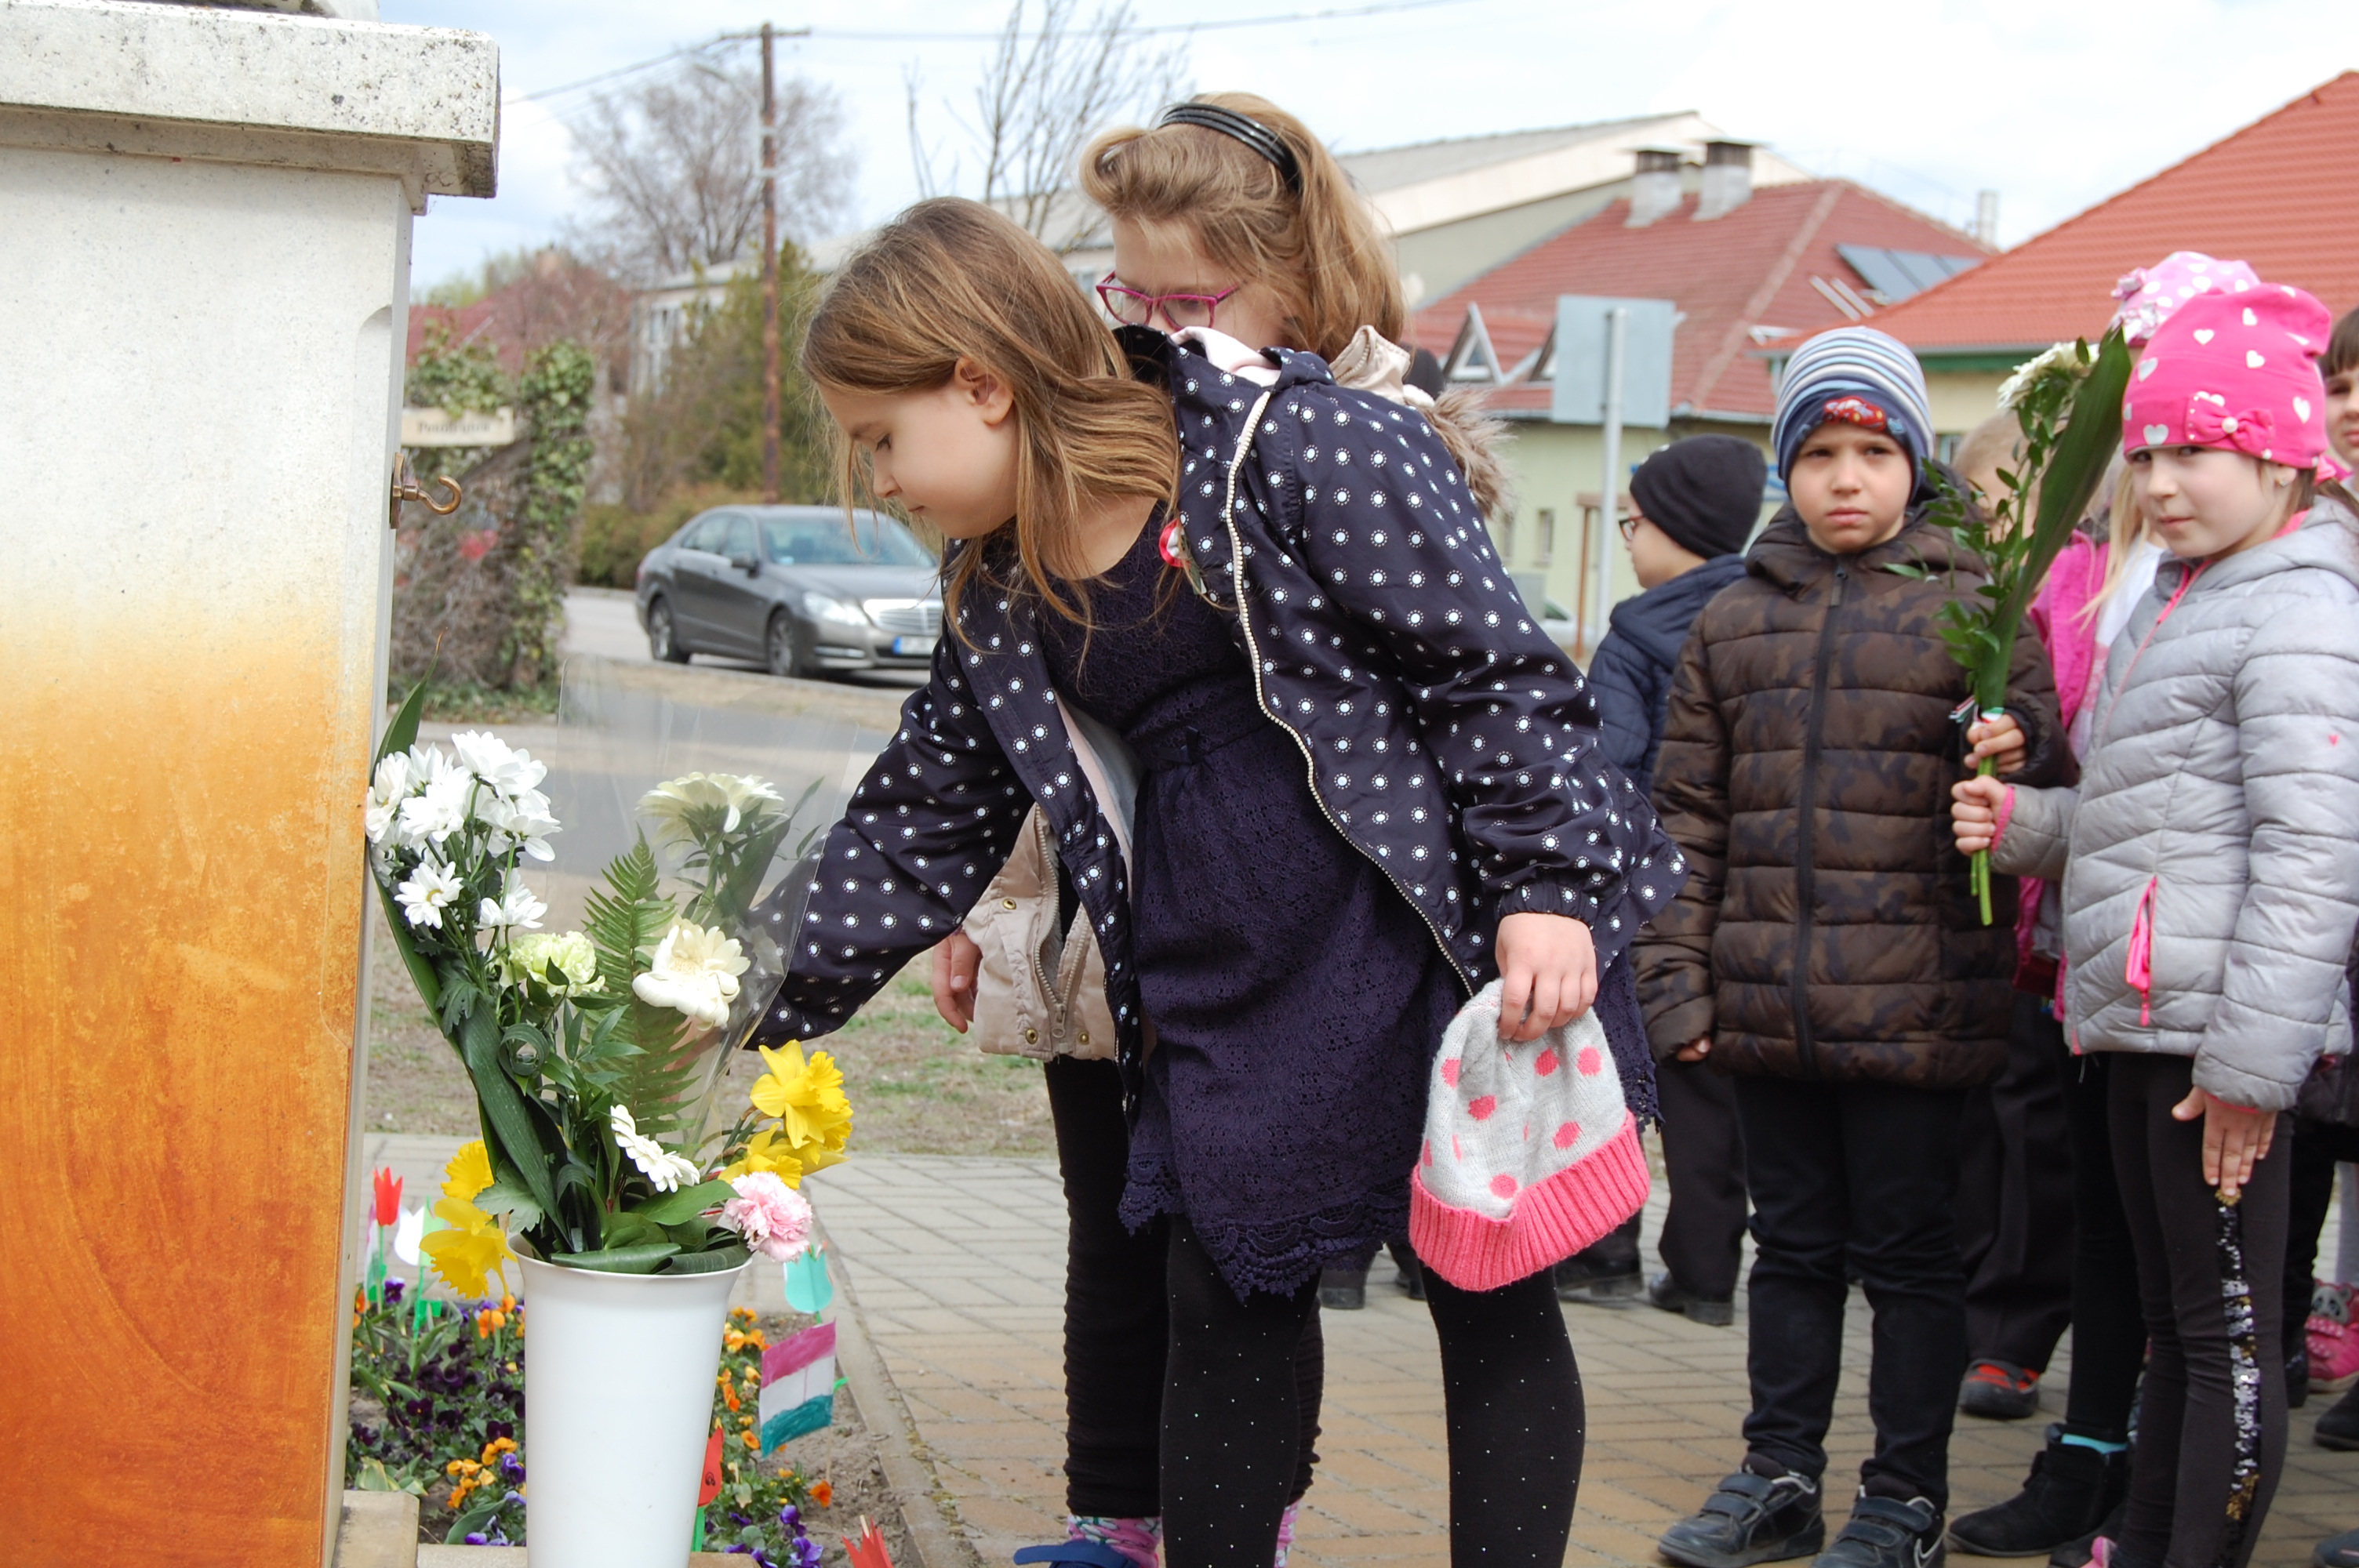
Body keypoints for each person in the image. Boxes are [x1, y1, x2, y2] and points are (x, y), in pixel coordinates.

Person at [755, 192, 1683, 1567]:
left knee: (1484, 1288)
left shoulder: (1292, 447)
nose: (881, 478)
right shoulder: (997, 584)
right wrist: (735, 998)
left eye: (882, 437)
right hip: (1226, 970)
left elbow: (1491, 675)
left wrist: (1546, 886)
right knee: (1220, 1296)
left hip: (1415, 930)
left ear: (982, 383)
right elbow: (918, 818)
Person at [914, 89, 1447, 1563]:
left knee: (1235, 1246)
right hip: (1104, 907)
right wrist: (990, 900)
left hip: (1272, 938)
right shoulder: (1117, 420)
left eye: (1181, 301)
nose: (1144, 326)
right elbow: (1045, 697)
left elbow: (1425, 705)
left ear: (1300, 275)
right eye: (1124, 294)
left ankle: (1235, 1517)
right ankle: (1118, 1518)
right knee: (1110, 1219)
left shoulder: (1365, 436)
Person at [1642, 325, 2066, 1568]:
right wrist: (1680, 983)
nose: (1845, 479)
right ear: (1785, 468)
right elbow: (1686, 818)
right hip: (1767, 1005)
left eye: (1872, 454)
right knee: (1790, 1253)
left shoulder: (1980, 605)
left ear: (1914, 463)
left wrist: (2017, 745)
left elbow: (2043, 758)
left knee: (1911, 1260)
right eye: (1818, 453)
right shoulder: (1732, 618)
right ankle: (1779, 1474)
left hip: (1914, 1008)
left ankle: (1905, 1496)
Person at [1952, 280, 2359, 1568]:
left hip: (2210, 1043)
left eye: (2195, 451)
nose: (2161, 482)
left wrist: (2250, 1068)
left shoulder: (2300, 610)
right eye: (2143, 454)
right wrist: (2022, 825)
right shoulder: (2181, 595)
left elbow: (2313, 858)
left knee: (2220, 1338)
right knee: (2175, 1328)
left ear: (2282, 457)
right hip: (2137, 1017)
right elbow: (2143, 821)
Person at [1552, 434, 1762, 1323]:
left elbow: (1608, 773)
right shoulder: (1764, 616)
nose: (1630, 539)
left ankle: (1603, 1251)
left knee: (1618, 1064)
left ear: (1675, 527)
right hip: (1742, 884)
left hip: (1646, 890)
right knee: (1705, 1074)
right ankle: (1706, 1274)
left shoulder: (1635, 635)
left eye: (1634, 522)